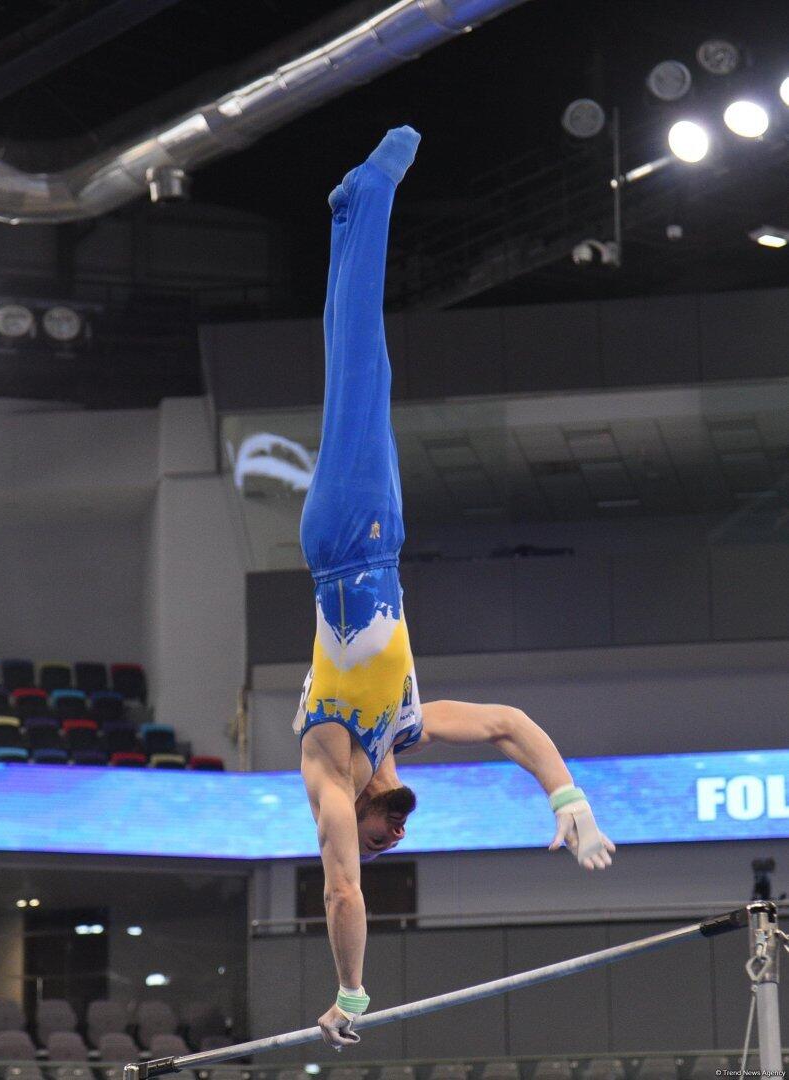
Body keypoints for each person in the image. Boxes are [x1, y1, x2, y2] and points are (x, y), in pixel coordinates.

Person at [293, 127, 615, 1051]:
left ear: (361, 807)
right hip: (381, 538)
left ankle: (377, 183)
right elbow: (512, 725)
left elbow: (342, 886)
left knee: (361, 357)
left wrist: (351, 992)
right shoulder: (407, 726)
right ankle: (353, 208)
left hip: (346, 539)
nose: (382, 827)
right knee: (358, 361)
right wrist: (566, 801)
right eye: (391, 826)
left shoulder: (326, 761)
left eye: (379, 827)